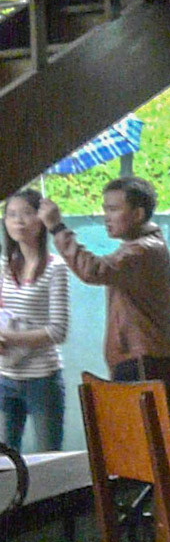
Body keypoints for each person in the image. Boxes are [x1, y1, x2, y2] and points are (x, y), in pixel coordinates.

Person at [49, 175, 170, 376]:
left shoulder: (142, 251)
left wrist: (57, 228)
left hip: (142, 359)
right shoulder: (140, 247)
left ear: (138, 214)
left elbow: (93, 270)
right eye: (105, 209)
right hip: (139, 356)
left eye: (114, 209)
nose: (106, 217)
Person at [0, 188, 69, 451]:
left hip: (43, 378)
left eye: (27, 214)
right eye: (11, 215)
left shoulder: (55, 267)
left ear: (41, 220)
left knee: (48, 458)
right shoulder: (5, 264)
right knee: (6, 461)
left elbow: (58, 331)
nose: (18, 221)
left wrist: (10, 338)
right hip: (5, 375)